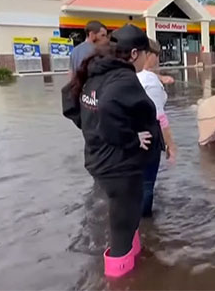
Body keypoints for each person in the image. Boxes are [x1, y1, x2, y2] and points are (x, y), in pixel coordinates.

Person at [62, 24, 163, 278]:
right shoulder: (122, 79)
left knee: (126, 222)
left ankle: (136, 260)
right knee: (121, 234)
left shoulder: (95, 71)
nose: (145, 62)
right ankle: (120, 279)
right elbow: (108, 109)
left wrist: (91, 128)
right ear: (134, 54)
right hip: (119, 169)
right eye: (144, 55)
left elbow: (69, 102)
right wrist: (130, 139)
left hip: (98, 161)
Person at [137, 39, 177, 217]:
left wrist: (161, 78)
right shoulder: (151, 83)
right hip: (148, 138)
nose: (158, 59)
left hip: (128, 136)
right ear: (148, 55)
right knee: (146, 185)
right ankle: (144, 223)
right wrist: (171, 145)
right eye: (157, 55)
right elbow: (160, 118)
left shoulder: (128, 74)